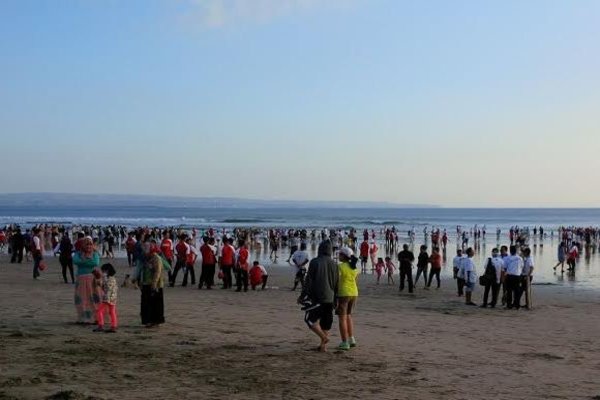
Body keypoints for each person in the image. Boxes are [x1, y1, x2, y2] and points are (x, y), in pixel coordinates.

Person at [298, 240, 339, 352]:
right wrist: (336, 299)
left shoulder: (315, 262)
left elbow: (309, 281)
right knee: (326, 322)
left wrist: (302, 295)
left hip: (318, 298)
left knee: (309, 320)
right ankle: (323, 347)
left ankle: (324, 338)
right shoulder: (335, 264)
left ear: (320, 249)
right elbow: (337, 283)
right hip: (330, 298)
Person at [73, 237, 101, 324]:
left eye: (90, 244)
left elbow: (95, 263)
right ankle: (83, 318)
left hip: (92, 280)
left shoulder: (95, 253)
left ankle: (96, 318)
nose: (89, 246)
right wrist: (87, 261)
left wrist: (83, 261)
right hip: (81, 280)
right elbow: (75, 261)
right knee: (81, 299)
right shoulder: (78, 253)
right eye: (87, 244)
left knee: (94, 299)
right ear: (83, 245)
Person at [336, 247, 359, 351]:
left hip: (344, 293)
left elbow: (337, 280)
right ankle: (351, 339)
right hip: (354, 293)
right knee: (349, 316)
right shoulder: (354, 268)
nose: (338, 256)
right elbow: (355, 280)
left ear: (343, 256)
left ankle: (345, 342)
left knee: (342, 318)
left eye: (339, 254)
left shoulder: (340, 267)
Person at [138, 241, 166, 327]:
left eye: (146, 249)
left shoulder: (156, 258)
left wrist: (154, 284)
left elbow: (157, 272)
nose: (144, 251)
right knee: (146, 303)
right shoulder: (145, 258)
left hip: (155, 285)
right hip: (146, 283)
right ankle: (148, 320)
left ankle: (155, 321)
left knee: (155, 304)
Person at [94, 263, 118, 333]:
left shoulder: (106, 278)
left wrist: (97, 278)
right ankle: (113, 326)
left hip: (107, 297)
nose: (102, 272)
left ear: (106, 271)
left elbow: (103, 286)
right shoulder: (113, 278)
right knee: (112, 312)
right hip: (113, 297)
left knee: (99, 311)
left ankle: (100, 325)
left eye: (103, 271)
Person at [502, 245, 524, 310]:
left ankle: (509, 305)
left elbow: (504, 268)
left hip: (509, 276)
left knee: (509, 291)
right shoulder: (520, 258)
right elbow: (522, 266)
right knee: (516, 291)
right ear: (516, 251)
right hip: (517, 276)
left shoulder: (507, 258)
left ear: (510, 251)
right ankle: (517, 305)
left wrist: (504, 276)